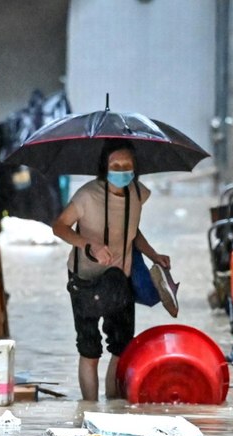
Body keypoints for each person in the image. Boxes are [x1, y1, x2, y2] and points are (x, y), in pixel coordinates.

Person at [52, 139, 171, 400]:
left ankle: (114, 408)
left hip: (121, 280)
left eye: (126, 165)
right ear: (104, 167)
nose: (121, 170)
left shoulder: (138, 194)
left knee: (122, 347)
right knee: (89, 350)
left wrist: (154, 255)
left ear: (135, 167)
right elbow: (59, 226)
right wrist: (88, 244)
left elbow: (132, 231)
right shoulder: (86, 196)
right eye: (115, 165)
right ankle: (89, 410)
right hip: (85, 281)